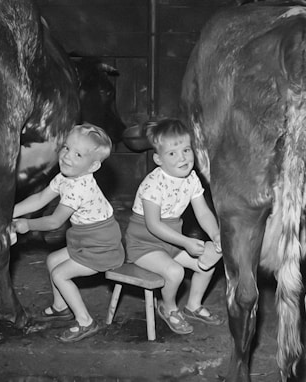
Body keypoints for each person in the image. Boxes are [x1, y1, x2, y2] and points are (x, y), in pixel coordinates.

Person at [12, 123, 125, 343]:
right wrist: (9, 212)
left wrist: (27, 225)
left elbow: (55, 221)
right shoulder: (64, 177)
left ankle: (85, 321)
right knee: (53, 260)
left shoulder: (79, 187)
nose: (67, 157)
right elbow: (39, 199)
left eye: (78, 154)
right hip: (85, 238)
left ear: (93, 166)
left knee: (60, 274)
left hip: (101, 245)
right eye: (66, 148)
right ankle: (61, 307)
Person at [125, 118, 223, 335]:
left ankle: (193, 305)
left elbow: (203, 212)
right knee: (175, 272)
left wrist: (215, 234)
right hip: (145, 244)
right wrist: (186, 242)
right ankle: (168, 308)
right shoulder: (153, 184)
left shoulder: (192, 179)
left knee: (207, 263)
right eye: (173, 153)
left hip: (172, 240)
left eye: (186, 150)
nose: (183, 158)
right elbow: (153, 225)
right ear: (158, 159)